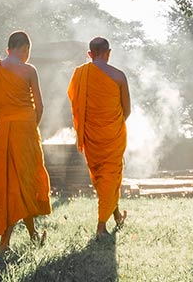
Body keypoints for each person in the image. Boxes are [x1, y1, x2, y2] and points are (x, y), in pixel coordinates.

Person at [0, 30, 52, 257]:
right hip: (26, 130)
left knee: (11, 183)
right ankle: (4, 243)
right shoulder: (29, 70)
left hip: (3, 131)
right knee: (25, 181)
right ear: (25, 49)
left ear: (7, 48)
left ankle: (32, 235)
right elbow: (39, 106)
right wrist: (32, 125)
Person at [67, 36, 131, 236]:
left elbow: (75, 103)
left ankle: (117, 216)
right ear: (108, 53)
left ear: (89, 54)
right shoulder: (119, 76)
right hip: (112, 134)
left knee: (103, 179)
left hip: (92, 135)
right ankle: (101, 226)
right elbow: (127, 110)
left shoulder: (80, 74)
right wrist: (111, 123)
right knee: (110, 177)